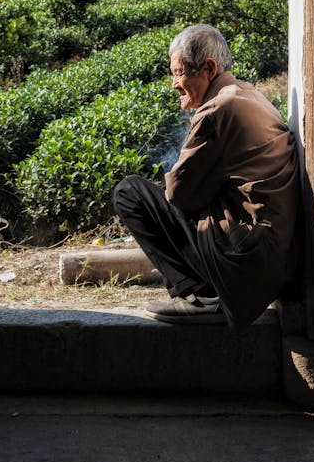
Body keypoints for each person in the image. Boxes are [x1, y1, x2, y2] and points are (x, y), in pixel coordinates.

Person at [112, 23, 300, 328]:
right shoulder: (250, 94)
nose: (174, 84)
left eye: (178, 73)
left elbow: (181, 196)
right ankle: (205, 293)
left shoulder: (216, 111)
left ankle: (199, 295)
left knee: (130, 192)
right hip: (275, 258)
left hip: (245, 261)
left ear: (208, 68)